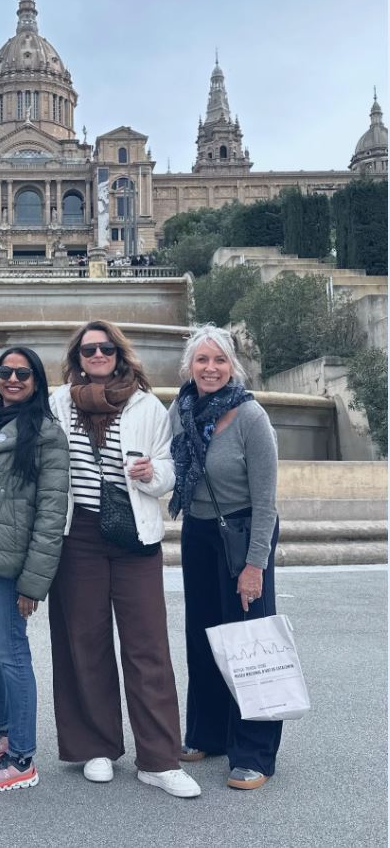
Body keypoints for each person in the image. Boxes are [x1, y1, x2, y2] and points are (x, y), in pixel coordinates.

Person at [48, 320, 200, 798]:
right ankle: (96, 746)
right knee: (84, 641)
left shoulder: (146, 404)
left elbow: (171, 466)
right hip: (80, 535)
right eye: (89, 349)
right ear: (78, 357)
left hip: (134, 535)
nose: (98, 354)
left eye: (106, 347)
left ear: (119, 354)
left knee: (147, 645)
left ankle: (158, 759)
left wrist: (152, 474)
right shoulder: (59, 402)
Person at [168, 324, 281, 791]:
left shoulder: (251, 417)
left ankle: (254, 751)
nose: (210, 368)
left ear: (231, 366)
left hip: (242, 533)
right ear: (189, 367)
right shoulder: (181, 408)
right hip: (198, 533)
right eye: (201, 360)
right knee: (204, 635)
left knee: (248, 641)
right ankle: (208, 734)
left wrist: (255, 565)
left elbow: (267, 502)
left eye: (218, 360)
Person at [0, 347, 69, 793]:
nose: (13, 379)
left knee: (12, 652)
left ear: (37, 381)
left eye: (24, 373)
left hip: (11, 563)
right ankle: (4, 729)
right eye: (5, 371)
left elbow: (51, 512)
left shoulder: (46, 433)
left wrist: (33, 582)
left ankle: (22, 757)